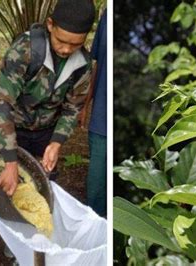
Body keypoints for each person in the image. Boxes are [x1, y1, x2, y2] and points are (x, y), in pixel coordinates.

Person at [0, 0, 96, 196]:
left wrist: (56, 143)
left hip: (46, 133)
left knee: (44, 183)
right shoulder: (25, 50)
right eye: (61, 41)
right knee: (11, 184)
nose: (66, 49)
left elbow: (72, 108)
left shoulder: (83, 64)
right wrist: (10, 161)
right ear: (50, 25)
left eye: (75, 44)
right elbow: (1, 104)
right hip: (16, 130)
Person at [79, 9, 107, 216]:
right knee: (98, 175)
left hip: (102, 114)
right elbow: (96, 65)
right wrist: (86, 105)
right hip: (101, 115)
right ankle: (96, 220)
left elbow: (96, 64)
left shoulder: (106, 16)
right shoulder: (106, 17)